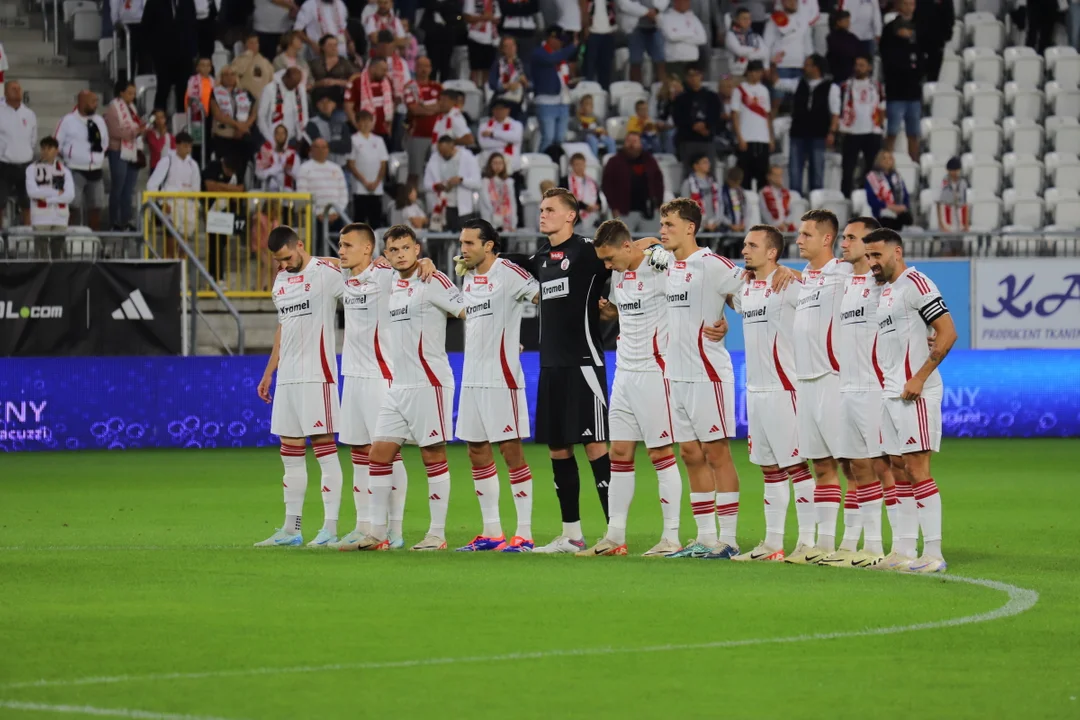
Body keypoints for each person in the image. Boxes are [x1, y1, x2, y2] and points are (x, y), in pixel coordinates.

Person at [350, 225, 467, 551]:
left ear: (417, 249)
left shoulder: (434, 279)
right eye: (393, 250)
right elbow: (345, 262)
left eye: (406, 248)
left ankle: (437, 534)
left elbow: (467, 311)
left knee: (432, 455)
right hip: (398, 385)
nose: (400, 254)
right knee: (379, 454)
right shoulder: (387, 280)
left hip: (429, 382)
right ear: (385, 256)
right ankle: (377, 533)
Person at [580, 219, 683, 557]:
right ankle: (615, 537)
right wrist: (607, 310)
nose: (607, 266)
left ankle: (671, 537)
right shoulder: (620, 272)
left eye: (610, 259)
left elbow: (687, 276)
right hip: (624, 371)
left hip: (655, 370)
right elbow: (620, 313)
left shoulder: (660, 265)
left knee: (660, 454)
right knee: (620, 454)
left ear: (627, 247)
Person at [524, 187, 615, 553]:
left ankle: (615, 533)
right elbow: (496, 262)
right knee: (558, 449)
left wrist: (613, 310)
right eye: (541, 209)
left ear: (570, 216)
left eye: (549, 210)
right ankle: (572, 535)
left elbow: (631, 252)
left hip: (584, 364)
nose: (542, 214)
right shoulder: (541, 257)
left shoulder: (589, 251)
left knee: (594, 445)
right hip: (550, 366)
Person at [333, 223, 431, 550]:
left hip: (380, 375)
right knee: (360, 452)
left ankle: (396, 530)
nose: (341, 250)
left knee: (388, 453)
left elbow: (414, 267)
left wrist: (427, 263)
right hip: (353, 375)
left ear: (367, 249)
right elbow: (321, 264)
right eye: (339, 245)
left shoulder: (385, 272)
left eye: (347, 245)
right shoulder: (347, 278)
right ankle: (366, 527)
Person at [865, 227, 956, 573]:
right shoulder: (886, 291)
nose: (872, 262)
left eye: (877, 255)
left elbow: (947, 332)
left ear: (897, 252)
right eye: (869, 256)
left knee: (917, 469)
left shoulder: (917, 283)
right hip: (891, 393)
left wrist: (919, 377)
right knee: (898, 470)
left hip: (915, 392)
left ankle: (933, 553)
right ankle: (903, 550)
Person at [659, 198, 746, 559]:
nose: (662, 231)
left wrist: (727, 317)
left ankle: (729, 539)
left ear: (690, 228)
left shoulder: (713, 265)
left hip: (707, 373)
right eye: (662, 224)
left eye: (669, 225)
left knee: (716, 453)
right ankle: (705, 538)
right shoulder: (663, 264)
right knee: (690, 454)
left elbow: (750, 294)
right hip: (675, 375)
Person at [452, 219, 541, 551]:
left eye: (469, 243)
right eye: (462, 243)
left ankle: (525, 534)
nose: (463, 249)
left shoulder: (508, 272)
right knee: (476, 450)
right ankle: (492, 533)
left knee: (511, 451)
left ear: (489, 245)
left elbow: (541, 297)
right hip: (472, 378)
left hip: (502, 378)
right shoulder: (470, 276)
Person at [255, 225, 345, 547]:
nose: (284, 265)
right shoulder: (280, 281)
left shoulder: (326, 273)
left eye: (288, 257)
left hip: (317, 376)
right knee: (290, 456)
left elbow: (359, 273)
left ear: (301, 246)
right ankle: (291, 530)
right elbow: (283, 328)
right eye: (278, 261)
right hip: (289, 379)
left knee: (325, 453)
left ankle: (330, 529)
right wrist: (269, 373)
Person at [729, 224, 803, 562]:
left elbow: (830, 298)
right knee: (769, 468)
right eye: (744, 244)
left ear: (772, 253)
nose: (745, 250)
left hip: (785, 389)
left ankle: (807, 543)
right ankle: (773, 545)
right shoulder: (746, 288)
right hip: (756, 392)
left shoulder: (788, 285)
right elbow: (723, 295)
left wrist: (797, 273)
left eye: (752, 245)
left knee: (797, 467)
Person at [822, 214, 893, 568]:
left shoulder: (884, 284)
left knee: (879, 465)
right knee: (851, 467)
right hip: (845, 385)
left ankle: (884, 547)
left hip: (873, 387)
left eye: (851, 238)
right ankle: (853, 544)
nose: (843, 243)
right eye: (843, 237)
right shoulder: (842, 277)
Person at [784, 208, 851, 564]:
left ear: (827, 238)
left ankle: (857, 543)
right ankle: (825, 544)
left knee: (852, 464)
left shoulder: (844, 272)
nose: (798, 240)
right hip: (805, 383)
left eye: (806, 234)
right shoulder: (805, 277)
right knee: (821, 466)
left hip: (833, 380)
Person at [55, 91, 109, 230]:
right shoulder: (67, 121)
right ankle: (69, 239)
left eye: (96, 101)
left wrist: (99, 157)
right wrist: (70, 156)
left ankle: (94, 240)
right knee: (72, 206)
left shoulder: (100, 121)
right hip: (75, 169)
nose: (96, 105)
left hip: (96, 170)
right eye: (93, 101)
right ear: (82, 102)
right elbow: (56, 144)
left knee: (96, 207)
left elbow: (105, 142)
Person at [788, 54, 839, 197]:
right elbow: (777, 82)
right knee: (794, 171)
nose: (804, 67)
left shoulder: (831, 87)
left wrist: (832, 132)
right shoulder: (798, 83)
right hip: (797, 132)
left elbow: (835, 113)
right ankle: (795, 200)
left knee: (817, 171)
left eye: (807, 64)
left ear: (816, 68)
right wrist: (773, 64)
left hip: (818, 133)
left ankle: (815, 203)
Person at [880, 0, 922, 162]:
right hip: (895, 91)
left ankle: (915, 166)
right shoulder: (890, 29)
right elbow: (886, 57)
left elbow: (922, 54)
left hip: (913, 92)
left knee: (914, 133)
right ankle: (885, 165)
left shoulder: (918, 28)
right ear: (898, 6)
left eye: (911, 4)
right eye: (905, 4)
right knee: (892, 132)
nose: (909, 7)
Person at [838, 54, 884, 197]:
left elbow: (882, 107)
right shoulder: (845, 86)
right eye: (857, 65)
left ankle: (867, 197)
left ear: (869, 67)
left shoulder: (876, 86)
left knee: (872, 168)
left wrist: (879, 126)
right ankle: (845, 198)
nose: (858, 68)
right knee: (848, 168)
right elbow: (839, 108)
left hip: (872, 132)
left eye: (862, 65)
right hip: (851, 132)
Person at [601, 132, 664, 233]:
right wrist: (614, 207)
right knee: (624, 244)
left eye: (635, 141)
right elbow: (607, 185)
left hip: (648, 212)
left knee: (650, 244)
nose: (631, 144)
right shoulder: (614, 161)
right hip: (624, 211)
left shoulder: (650, 160)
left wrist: (659, 203)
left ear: (640, 144)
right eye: (628, 141)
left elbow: (658, 182)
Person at [147, 132, 201, 248]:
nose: (188, 149)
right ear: (177, 145)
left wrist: (194, 205)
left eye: (190, 146)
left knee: (184, 248)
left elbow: (196, 188)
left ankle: (182, 266)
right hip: (171, 205)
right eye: (185, 146)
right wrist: (162, 203)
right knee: (170, 244)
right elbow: (152, 185)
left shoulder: (193, 165)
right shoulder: (167, 161)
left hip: (188, 207)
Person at [25, 136, 74, 259]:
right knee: (41, 255)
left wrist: (48, 198)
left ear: (57, 150)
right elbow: (33, 192)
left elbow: (69, 195)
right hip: (41, 216)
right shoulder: (32, 169)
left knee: (59, 254)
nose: (45, 151)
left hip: (60, 217)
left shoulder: (64, 171)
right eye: (43, 148)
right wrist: (56, 193)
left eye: (49, 148)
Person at [143, 0, 196, 112]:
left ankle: (182, 124)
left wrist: (192, 52)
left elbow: (193, 26)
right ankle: (158, 123)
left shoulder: (187, 2)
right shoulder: (154, 2)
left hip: (184, 56)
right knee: (162, 90)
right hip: (163, 57)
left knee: (183, 91)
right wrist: (153, 52)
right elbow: (146, 26)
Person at [104, 80, 144, 232]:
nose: (132, 96)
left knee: (129, 190)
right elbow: (114, 132)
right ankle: (114, 222)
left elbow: (136, 125)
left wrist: (141, 128)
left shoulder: (132, 108)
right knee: (118, 188)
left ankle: (125, 221)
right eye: (129, 93)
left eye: (134, 93)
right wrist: (136, 132)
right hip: (118, 150)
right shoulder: (113, 108)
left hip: (132, 150)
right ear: (121, 93)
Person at [531, 27, 577, 154]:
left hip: (563, 101)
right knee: (548, 138)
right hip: (546, 102)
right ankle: (541, 164)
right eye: (558, 39)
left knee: (560, 139)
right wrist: (572, 47)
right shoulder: (539, 53)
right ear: (550, 38)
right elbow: (551, 59)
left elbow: (561, 75)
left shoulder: (560, 54)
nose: (561, 43)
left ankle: (556, 165)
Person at [298, 137, 350, 248]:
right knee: (315, 248)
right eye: (317, 147)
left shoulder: (336, 168)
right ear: (311, 149)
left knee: (337, 249)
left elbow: (343, 194)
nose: (320, 150)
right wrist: (317, 213)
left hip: (335, 215)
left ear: (328, 150)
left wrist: (336, 213)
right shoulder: (304, 168)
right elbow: (302, 195)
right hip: (315, 217)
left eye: (324, 147)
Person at [202, 154, 244, 285]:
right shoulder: (213, 167)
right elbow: (209, 187)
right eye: (228, 171)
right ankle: (213, 277)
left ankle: (219, 276)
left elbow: (240, 191)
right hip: (212, 210)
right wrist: (230, 189)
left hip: (227, 212)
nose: (229, 174)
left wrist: (220, 186)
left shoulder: (238, 171)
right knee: (214, 245)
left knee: (222, 244)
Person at [424, 136, 482, 232]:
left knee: (464, 238)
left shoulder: (467, 158)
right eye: (440, 152)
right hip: (442, 207)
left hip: (462, 208)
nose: (442, 155)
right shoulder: (434, 159)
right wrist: (437, 186)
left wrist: (461, 180)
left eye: (445, 152)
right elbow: (426, 184)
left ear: (453, 147)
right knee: (439, 238)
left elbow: (477, 183)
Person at [731, 60, 773, 191]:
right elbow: (735, 115)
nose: (757, 75)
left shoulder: (764, 90)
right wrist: (739, 137)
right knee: (745, 176)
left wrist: (770, 137)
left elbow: (767, 115)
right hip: (746, 138)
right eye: (754, 71)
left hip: (762, 139)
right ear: (748, 72)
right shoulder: (739, 90)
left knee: (763, 177)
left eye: (759, 72)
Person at [672, 65, 721, 176]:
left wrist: (706, 126)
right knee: (689, 175)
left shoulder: (712, 96)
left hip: (706, 140)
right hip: (688, 140)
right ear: (686, 78)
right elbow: (678, 118)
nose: (694, 78)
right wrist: (693, 126)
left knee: (709, 173)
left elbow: (716, 116)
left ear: (701, 76)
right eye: (690, 75)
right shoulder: (681, 98)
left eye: (696, 75)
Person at [0, 80, 36, 228]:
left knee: (26, 202)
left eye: (19, 88)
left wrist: (27, 152)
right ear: (5, 92)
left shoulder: (29, 114)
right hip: (4, 164)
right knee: (0, 201)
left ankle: (27, 234)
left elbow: (33, 138)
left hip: (25, 164)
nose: (17, 91)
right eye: (13, 88)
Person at [403, 56, 442, 183]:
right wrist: (433, 108)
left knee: (436, 173)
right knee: (414, 173)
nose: (423, 69)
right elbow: (414, 109)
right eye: (420, 66)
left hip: (437, 136)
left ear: (431, 69)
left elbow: (444, 107)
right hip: (417, 135)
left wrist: (423, 106)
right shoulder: (410, 87)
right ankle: (411, 200)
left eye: (426, 66)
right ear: (415, 68)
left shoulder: (438, 87)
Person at [346, 110, 389, 227]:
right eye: (362, 121)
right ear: (357, 123)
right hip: (360, 188)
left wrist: (376, 182)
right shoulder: (353, 139)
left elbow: (383, 164)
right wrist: (364, 182)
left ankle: (375, 245)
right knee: (359, 220)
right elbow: (351, 164)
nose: (366, 124)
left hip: (376, 188)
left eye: (368, 121)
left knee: (375, 220)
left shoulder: (379, 140)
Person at [764, 0, 813, 99]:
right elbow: (766, 45)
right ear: (782, 2)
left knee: (799, 101)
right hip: (780, 67)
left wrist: (810, 65)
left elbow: (808, 45)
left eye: (795, 1)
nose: (793, 3)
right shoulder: (774, 20)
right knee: (777, 100)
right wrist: (766, 66)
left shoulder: (803, 21)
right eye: (789, 0)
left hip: (800, 66)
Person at [210, 66, 258, 167]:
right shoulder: (215, 93)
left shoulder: (245, 92)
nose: (229, 77)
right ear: (221, 77)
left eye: (232, 74)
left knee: (251, 146)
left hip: (243, 133)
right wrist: (238, 125)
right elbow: (218, 115)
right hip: (224, 133)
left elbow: (254, 112)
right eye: (226, 75)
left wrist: (244, 126)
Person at [344, 57, 393, 139]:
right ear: (372, 69)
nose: (385, 73)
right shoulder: (356, 82)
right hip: (363, 131)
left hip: (383, 131)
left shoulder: (387, 82)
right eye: (383, 70)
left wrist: (389, 126)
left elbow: (391, 105)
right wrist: (358, 127)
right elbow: (348, 108)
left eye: (386, 70)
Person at [258, 67, 309, 144]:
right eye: (293, 83)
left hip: (293, 139)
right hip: (271, 138)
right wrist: (270, 139)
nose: (295, 87)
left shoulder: (300, 88)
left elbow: (304, 113)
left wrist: (299, 135)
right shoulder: (270, 89)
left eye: (297, 84)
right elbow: (261, 117)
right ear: (286, 78)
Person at [658, 0, 706, 79]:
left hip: (692, 61)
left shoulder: (693, 18)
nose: (687, 3)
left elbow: (702, 39)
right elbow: (671, 36)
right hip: (675, 61)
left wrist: (680, 34)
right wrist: (691, 35)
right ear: (676, 2)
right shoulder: (666, 17)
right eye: (683, 1)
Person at [866, 149, 912, 230]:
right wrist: (889, 206)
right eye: (884, 158)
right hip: (882, 212)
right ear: (879, 161)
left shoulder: (897, 177)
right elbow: (871, 200)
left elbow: (906, 196)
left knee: (907, 218)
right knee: (888, 220)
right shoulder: (872, 177)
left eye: (890, 158)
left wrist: (903, 207)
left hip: (899, 211)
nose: (887, 161)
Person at [305, 90, 352, 169]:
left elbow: (348, 147)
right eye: (322, 102)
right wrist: (338, 145)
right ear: (317, 105)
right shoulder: (312, 124)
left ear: (334, 105)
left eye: (329, 102)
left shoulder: (341, 123)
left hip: (340, 168)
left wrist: (327, 145)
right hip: (320, 167)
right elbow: (318, 147)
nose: (326, 105)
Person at [622, 0, 665, 85]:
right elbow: (624, 4)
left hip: (655, 26)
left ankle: (661, 90)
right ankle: (636, 91)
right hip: (635, 27)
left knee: (660, 61)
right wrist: (646, 12)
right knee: (635, 62)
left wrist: (656, 10)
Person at [310, 35, 358, 106]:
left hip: (338, 96)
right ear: (322, 47)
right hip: (319, 95)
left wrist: (336, 82)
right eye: (330, 45)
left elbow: (356, 76)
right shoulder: (314, 63)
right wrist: (319, 83)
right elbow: (308, 82)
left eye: (335, 45)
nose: (333, 48)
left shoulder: (344, 63)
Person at [478, 100, 524, 173]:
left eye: (502, 109)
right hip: (489, 164)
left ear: (508, 110)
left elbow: (516, 138)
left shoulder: (517, 125)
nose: (499, 111)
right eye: (496, 109)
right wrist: (507, 142)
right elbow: (484, 144)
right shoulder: (484, 125)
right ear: (492, 110)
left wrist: (492, 134)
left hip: (511, 165)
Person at [489, 36, 529, 120]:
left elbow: (532, 84)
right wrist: (507, 86)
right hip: (502, 103)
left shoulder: (523, 64)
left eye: (512, 45)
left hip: (520, 103)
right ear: (502, 49)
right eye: (507, 46)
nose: (511, 49)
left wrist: (526, 82)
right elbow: (492, 84)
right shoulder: (497, 65)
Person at [463, 0, 501, 88]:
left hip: (491, 38)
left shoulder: (494, 1)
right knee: (475, 68)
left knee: (488, 68)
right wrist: (483, 18)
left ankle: (486, 91)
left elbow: (498, 18)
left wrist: (493, 19)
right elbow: (467, 17)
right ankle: (473, 90)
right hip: (475, 37)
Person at [680, 154, 721, 232]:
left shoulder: (714, 183)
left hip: (714, 224)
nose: (708, 165)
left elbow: (720, 203)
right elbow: (685, 207)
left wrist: (717, 221)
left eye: (708, 162)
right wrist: (701, 223)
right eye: (704, 162)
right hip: (697, 227)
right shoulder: (688, 183)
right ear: (696, 166)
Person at [230, 32, 276, 102]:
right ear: (245, 45)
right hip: (244, 100)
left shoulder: (266, 62)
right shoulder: (238, 60)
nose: (254, 46)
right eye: (251, 43)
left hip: (262, 100)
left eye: (256, 43)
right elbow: (236, 72)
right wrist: (247, 56)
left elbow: (272, 82)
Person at [582, 0, 617, 90]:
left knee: (606, 67)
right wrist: (586, 27)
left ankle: (604, 92)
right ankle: (588, 91)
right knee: (590, 67)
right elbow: (584, 9)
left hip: (609, 33)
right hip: (593, 33)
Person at [916, 0, 954, 81]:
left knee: (934, 73)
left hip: (937, 40)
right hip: (919, 39)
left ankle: (931, 89)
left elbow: (949, 16)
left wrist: (946, 35)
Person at [480, 152, 517, 232]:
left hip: (506, 220)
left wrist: (513, 222)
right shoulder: (485, 181)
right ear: (490, 165)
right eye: (495, 163)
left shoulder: (508, 182)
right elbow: (485, 203)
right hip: (491, 219)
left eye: (500, 163)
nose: (498, 166)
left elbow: (512, 203)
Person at [726, 8, 769, 77]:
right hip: (738, 74)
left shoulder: (755, 35)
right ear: (737, 20)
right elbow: (739, 51)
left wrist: (749, 55)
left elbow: (765, 52)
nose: (747, 21)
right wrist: (754, 50)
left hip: (754, 74)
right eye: (744, 19)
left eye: (749, 19)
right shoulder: (731, 35)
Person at [255, 124, 300, 190]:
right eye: (277, 133)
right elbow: (259, 174)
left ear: (286, 136)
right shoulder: (265, 152)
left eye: (283, 133)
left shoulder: (293, 154)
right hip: (267, 191)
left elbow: (297, 175)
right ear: (274, 136)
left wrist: (288, 170)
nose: (280, 136)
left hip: (286, 191)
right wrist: (278, 168)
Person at [565, 152, 602, 229]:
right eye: (577, 164)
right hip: (574, 220)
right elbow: (566, 199)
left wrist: (597, 207)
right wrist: (585, 207)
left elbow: (599, 200)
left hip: (592, 218)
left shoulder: (592, 182)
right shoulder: (566, 181)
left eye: (581, 164)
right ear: (572, 166)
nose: (580, 167)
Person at [826, 10, 862, 84]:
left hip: (850, 74)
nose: (848, 23)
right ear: (838, 22)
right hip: (836, 74)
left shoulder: (852, 37)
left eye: (848, 20)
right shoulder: (831, 37)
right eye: (846, 20)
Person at [937, 156, 970, 233]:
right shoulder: (943, 183)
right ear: (948, 170)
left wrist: (966, 225)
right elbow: (939, 205)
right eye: (952, 170)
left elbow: (965, 204)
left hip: (959, 215)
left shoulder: (963, 183)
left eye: (956, 170)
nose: (955, 172)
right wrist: (941, 224)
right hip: (947, 214)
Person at [760, 165, 795, 231]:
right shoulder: (764, 192)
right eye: (775, 175)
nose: (779, 178)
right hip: (771, 229)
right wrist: (776, 225)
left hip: (786, 227)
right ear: (769, 177)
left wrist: (785, 224)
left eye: (780, 175)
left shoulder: (787, 193)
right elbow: (764, 212)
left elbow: (792, 211)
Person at [719, 166, 747, 234]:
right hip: (726, 230)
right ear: (729, 179)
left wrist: (743, 223)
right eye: (734, 182)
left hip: (740, 229)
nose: (736, 184)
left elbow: (747, 210)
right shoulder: (721, 192)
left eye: (738, 181)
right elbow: (719, 212)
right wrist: (730, 225)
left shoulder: (741, 192)